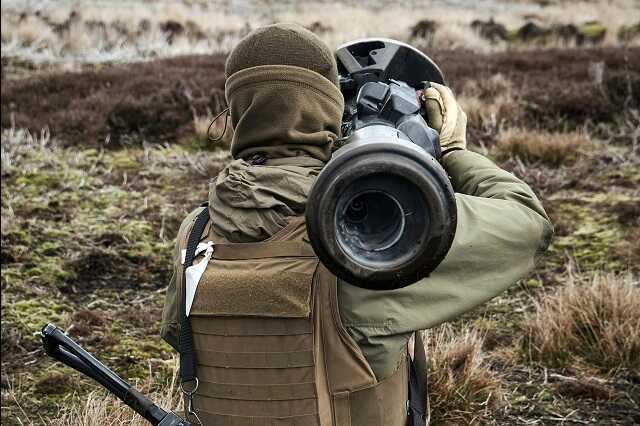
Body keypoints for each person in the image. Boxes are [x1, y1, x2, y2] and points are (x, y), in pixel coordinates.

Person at [160, 23, 553, 426]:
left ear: (236, 113)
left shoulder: (195, 233)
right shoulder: (367, 234)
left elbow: (179, 335)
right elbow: (526, 222)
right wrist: (452, 152)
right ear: (330, 106)